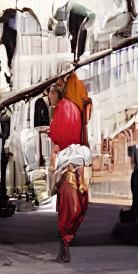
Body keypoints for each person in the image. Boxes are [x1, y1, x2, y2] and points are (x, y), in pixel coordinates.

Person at [47, 77, 91, 262]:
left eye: (54, 90)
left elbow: (56, 136)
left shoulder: (63, 108)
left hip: (68, 166)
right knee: (74, 206)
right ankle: (64, 245)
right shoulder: (80, 109)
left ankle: (64, 245)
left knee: (65, 208)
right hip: (78, 164)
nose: (51, 95)